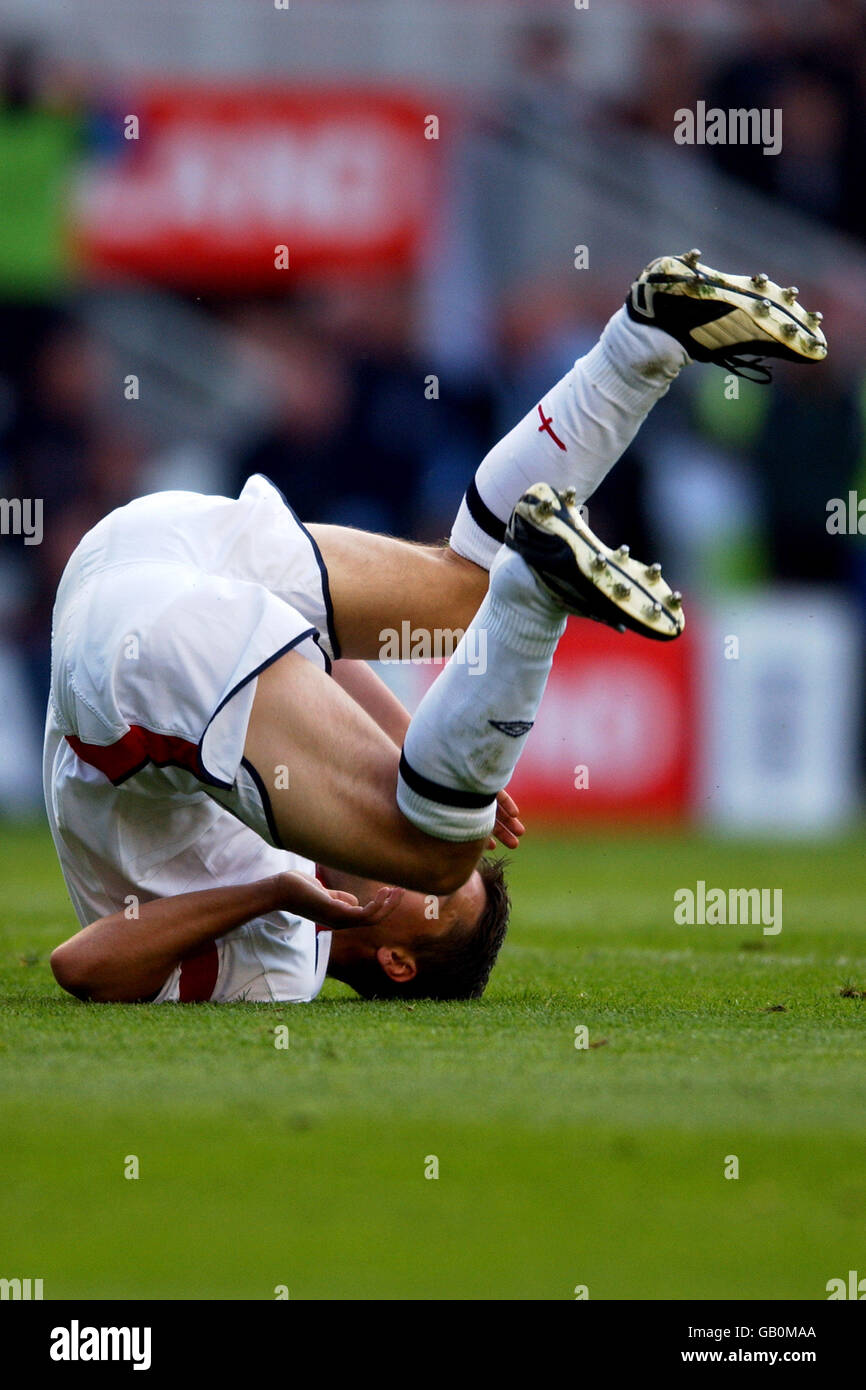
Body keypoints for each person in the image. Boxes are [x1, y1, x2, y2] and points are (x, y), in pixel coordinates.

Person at [46, 253, 826, 1004]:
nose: (423, 880)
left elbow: (82, 968)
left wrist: (268, 892)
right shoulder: (299, 815)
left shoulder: (280, 968)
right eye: (436, 889)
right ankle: (640, 349)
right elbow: (308, 660)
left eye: (434, 897)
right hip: (149, 590)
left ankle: (551, 559)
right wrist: (429, 754)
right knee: (469, 601)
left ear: (395, 961)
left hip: (129, 606)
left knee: (439, 840)